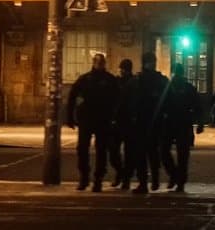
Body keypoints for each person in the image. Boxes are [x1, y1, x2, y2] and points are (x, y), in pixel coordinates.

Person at [66, 53, 119, 192]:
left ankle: (97, 179)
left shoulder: (108, 80)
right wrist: (70, 117)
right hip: (88, 119)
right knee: (83, 149)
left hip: (101, 119)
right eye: (98, 62)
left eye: (101, 63)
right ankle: (85, 177)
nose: (100, 65)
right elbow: (72, 96)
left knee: (100, 150)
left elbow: (118, 100)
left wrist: (114, 118)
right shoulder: (87, 79)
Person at [127, 51, 169, 194]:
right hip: (150, 120)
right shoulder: (160, 80)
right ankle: (151, 181)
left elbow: (128, 101)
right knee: (150, 152)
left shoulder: (137, 80)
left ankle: (146, 182)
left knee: (144, 153)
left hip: (142, 121)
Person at [161, 63, 201, 192]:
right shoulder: (188, 88)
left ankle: (175, 175)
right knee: (182, 154)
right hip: (183, 123)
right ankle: (180, 180)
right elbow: (197, 106)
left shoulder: (167, 87)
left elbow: (161, 106)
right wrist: (199, 122)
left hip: (170, 122)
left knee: (165, 151)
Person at [110, 58, 134, 189]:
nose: (121, 71)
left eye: (123, 69)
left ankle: (125, 178)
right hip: (117, 120)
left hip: (127, 120)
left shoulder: (133, 83)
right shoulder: (116, 82)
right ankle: (121, 173)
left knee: (128, 152)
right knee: (113, 151)